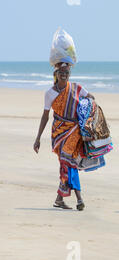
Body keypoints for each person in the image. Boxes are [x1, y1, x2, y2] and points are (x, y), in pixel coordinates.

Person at [33, 62, 95, 210]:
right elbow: (45, 116)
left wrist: (88, 115)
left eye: (66, 72)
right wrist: (38, 138)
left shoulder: (77, 88)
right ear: (56, 73)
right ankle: (69, 199)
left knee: (68, 162)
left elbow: (91, 98)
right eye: (61, 72)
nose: (64, 74)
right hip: (59, 133)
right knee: (67, 163)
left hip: (75, 131)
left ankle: (69, 198)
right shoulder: (50, 93)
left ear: (69, 74)